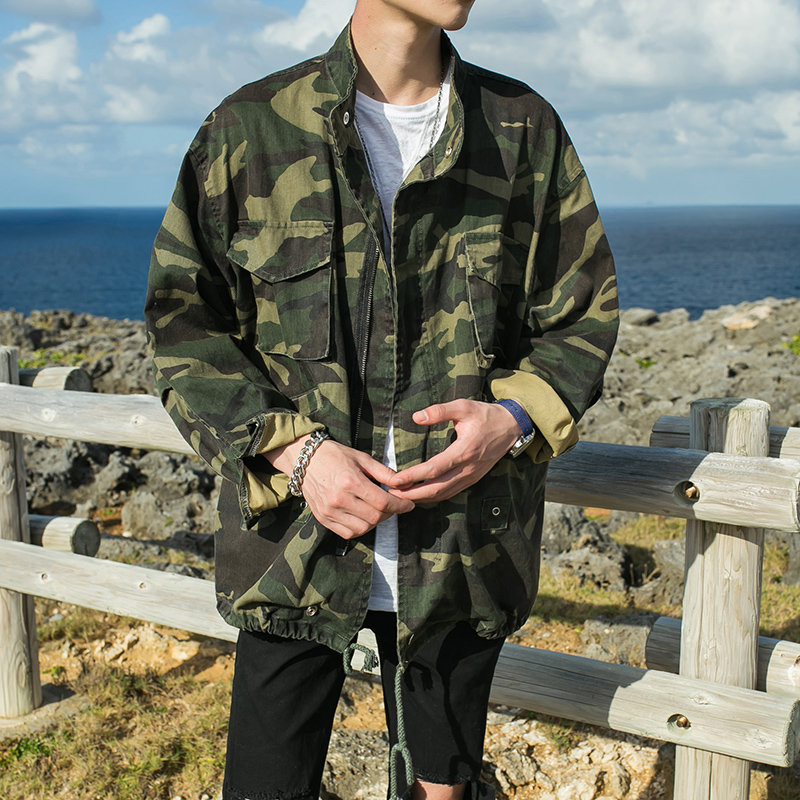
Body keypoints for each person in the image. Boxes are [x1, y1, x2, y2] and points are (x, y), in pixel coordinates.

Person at [145, 0, 619, 798]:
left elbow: (580, 318)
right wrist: (299, 455)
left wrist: (509, 420)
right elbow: (184, 328)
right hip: (295, 552)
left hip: (461, 556)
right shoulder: (249, 129)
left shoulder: (521, 129)